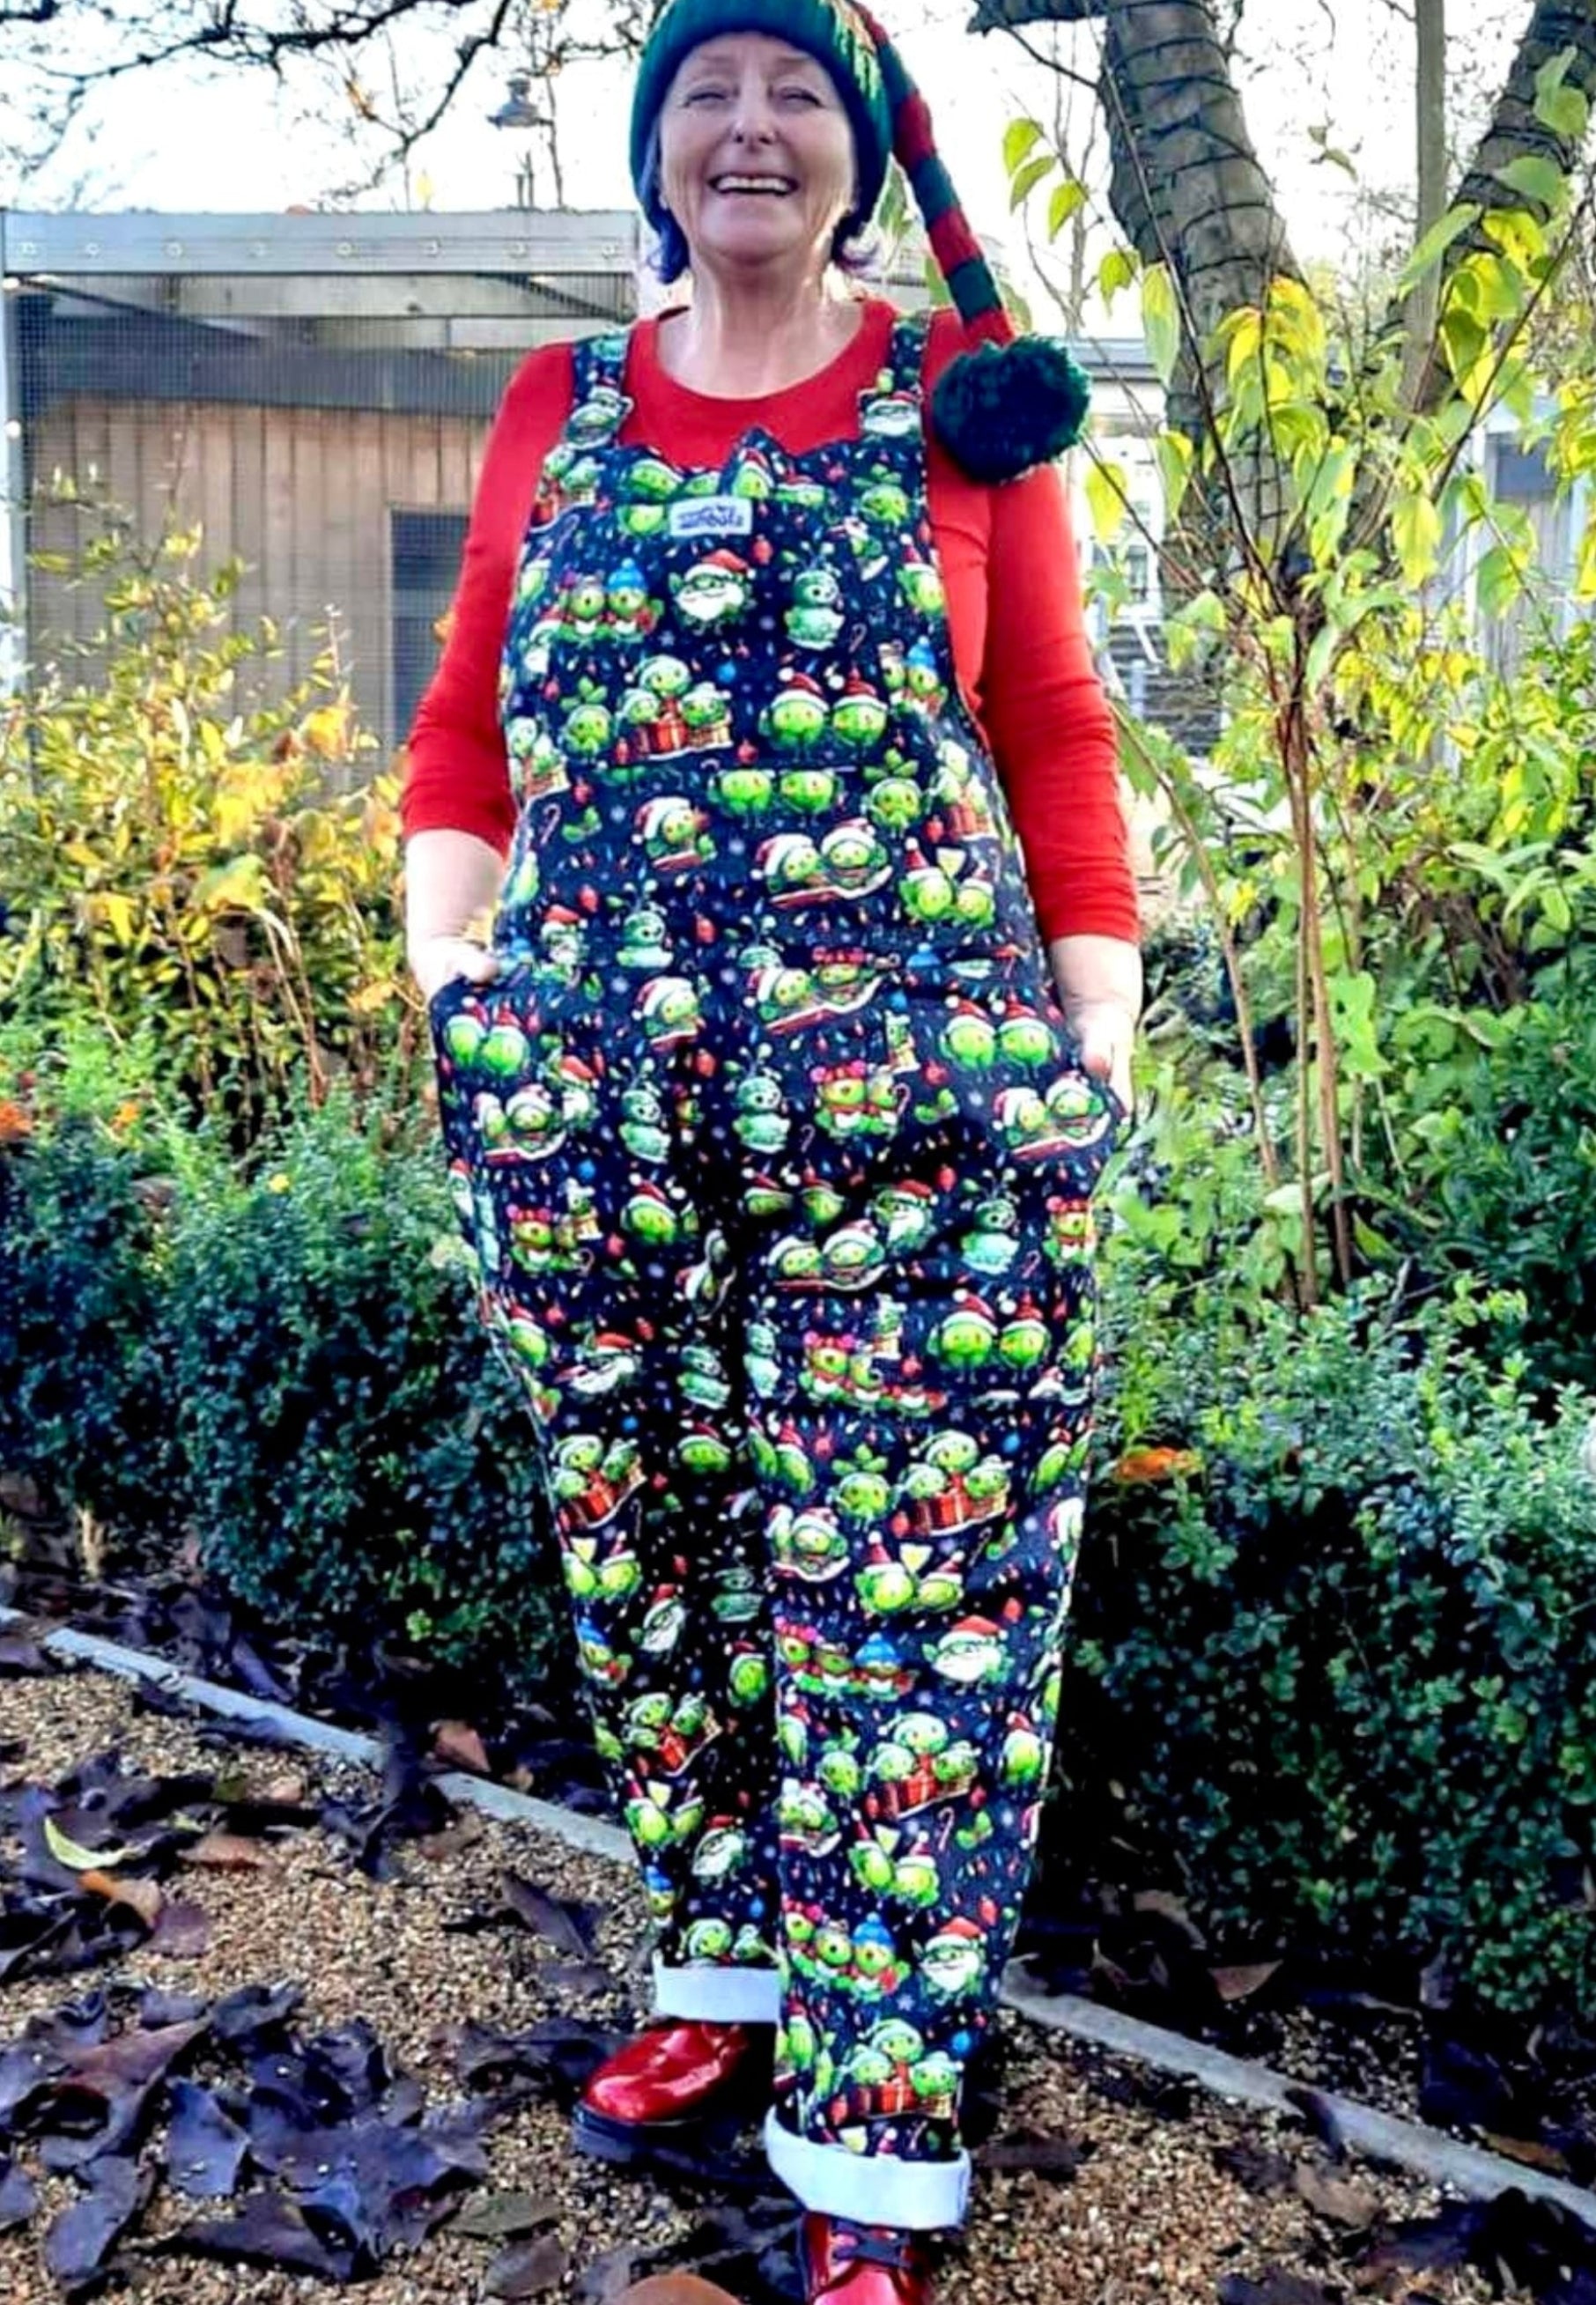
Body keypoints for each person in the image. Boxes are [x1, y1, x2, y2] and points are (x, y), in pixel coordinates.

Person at [402, 3, 1142, 2294]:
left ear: (855, 148)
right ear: (654, 146)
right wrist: (457, 996)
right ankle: (718, 1974)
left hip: (914, 1138)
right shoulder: (560, 403)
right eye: (704, 87)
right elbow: (459, 740)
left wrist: (1092, 1054)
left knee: (901, 1615)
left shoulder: (954, 402)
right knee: (653, 1569)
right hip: (595, 1120)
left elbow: (1050, 728)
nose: (747, 125)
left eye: (794, 89)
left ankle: (876, 2126)